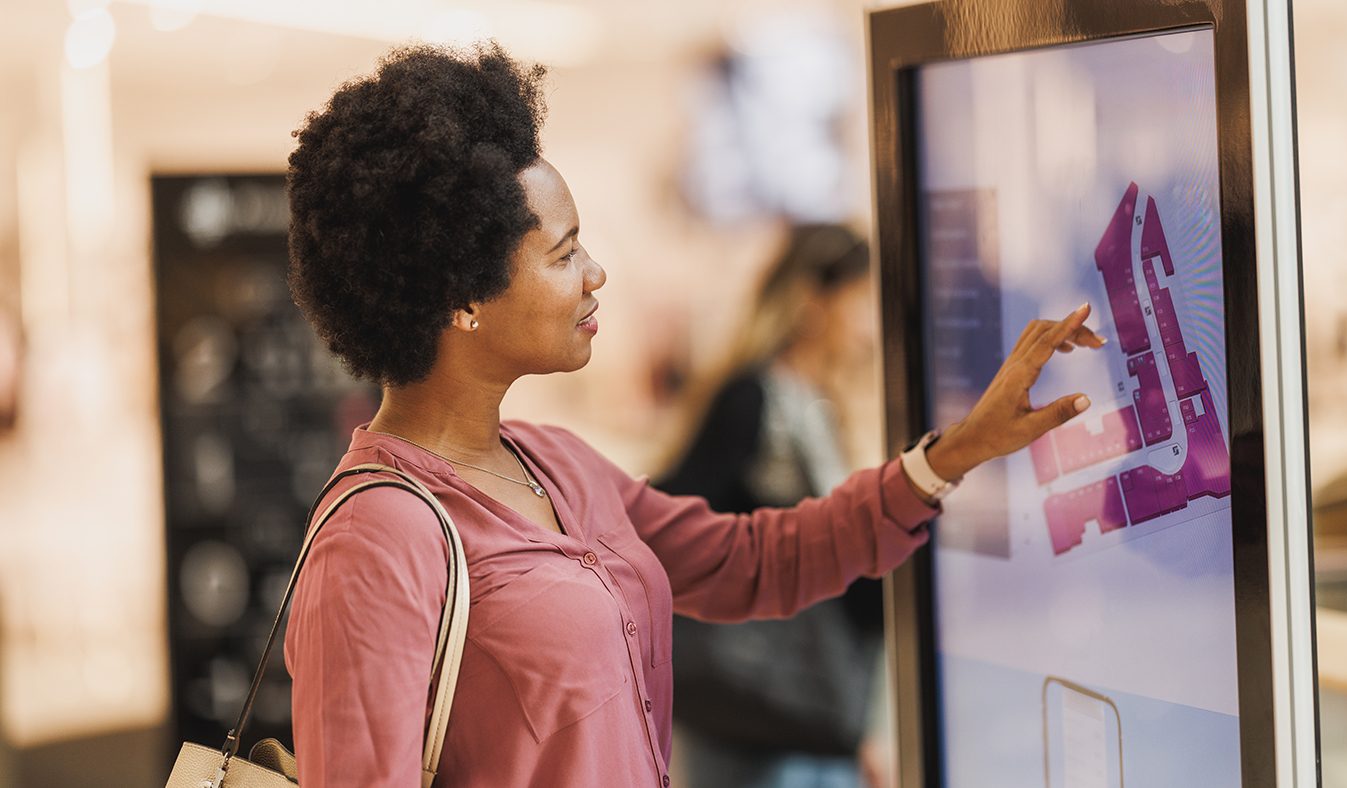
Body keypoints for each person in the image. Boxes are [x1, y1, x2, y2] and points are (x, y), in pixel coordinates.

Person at [281, 43, 1104, 788]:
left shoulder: (556, 463)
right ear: (462, 295)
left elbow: (752, 560)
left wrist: (953, 454)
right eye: (564, 254)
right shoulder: (375, 541)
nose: (596, 273)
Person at [658, 225, 891, 788]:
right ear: (814, 302)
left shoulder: (810, 403)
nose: (870, 328)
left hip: (802, 708)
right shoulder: (757, 399)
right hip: (758, 704)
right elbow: (675, 516)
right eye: (861, 304)